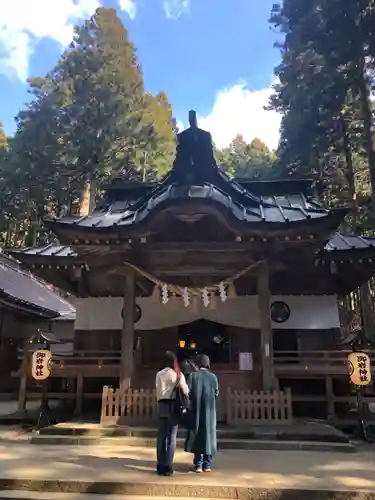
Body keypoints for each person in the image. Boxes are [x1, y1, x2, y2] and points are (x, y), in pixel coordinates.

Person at [155, 350, 189, 476]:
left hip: (162, 405)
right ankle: (168, 466)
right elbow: (185, 390)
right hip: (174, 406)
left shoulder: (159, 374)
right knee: (172, 437)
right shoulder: (177, 375)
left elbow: (158, 389)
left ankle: (160, 464)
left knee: (161, 437)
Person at [184, 354, 219, 473]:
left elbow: (187, 392)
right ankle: (207, 464)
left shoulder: (193, 376)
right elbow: (216, 393)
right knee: (209, 435)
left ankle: (198, 464)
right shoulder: (213, 377)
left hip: (196, 410)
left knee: (197, 434)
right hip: (210, 411)